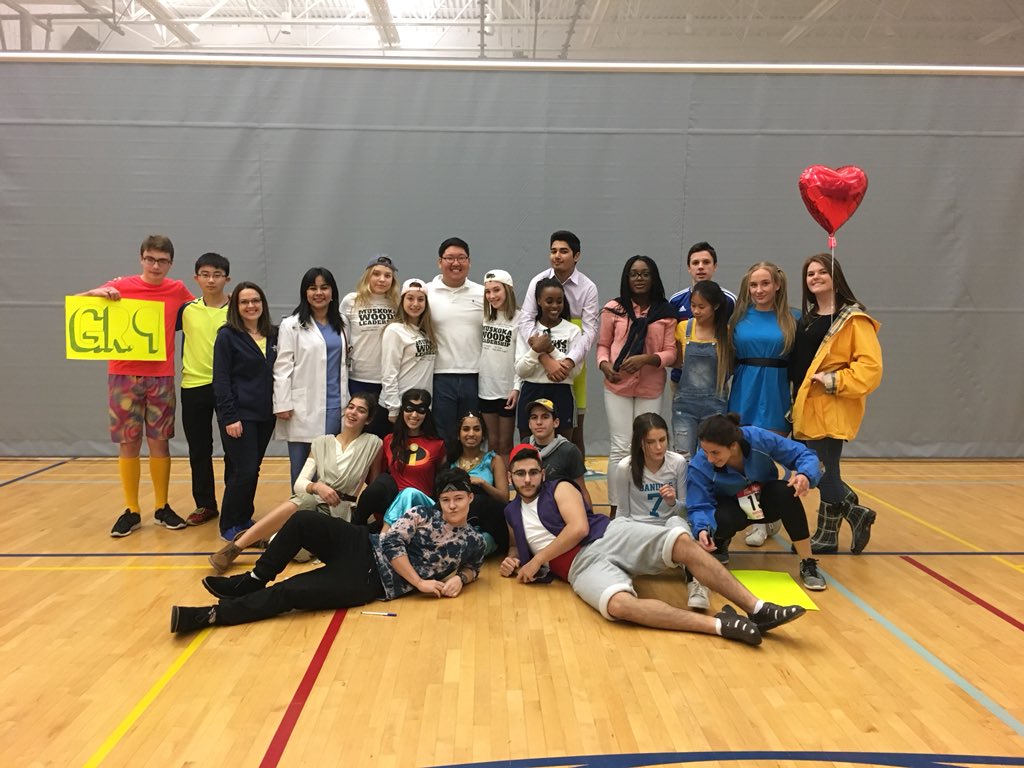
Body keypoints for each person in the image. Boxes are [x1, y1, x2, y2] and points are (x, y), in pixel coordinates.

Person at [500, 445, 806, 646]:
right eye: (520, 474)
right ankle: (718, 624)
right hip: (580, 567)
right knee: (619, 607)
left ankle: (758, 608)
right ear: (511, 478)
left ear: (542, 473)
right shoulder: (511, 512)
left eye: (532, 472)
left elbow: (578, 528)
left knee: (682, 544)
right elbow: (517, 549)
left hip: (608, 536)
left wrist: (537, 558)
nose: (527, 479)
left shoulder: (559, 487)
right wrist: (513, 560)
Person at [171, 468, 486, 634]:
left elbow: (475, 565)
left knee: (291, 592)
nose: (453, 505)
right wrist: (419, 583)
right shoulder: (421, 513)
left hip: (369, 581)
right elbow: (391, 543)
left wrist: (462, 577)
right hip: (362, 544)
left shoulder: (473, 540)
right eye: (446, 500)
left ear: (470, 498)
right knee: (304, 519)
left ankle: (211, 615)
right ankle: (254, 578)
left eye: (459, 498)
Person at [78, 234, 194, 536]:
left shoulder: (177, 290)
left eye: (162, 261)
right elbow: (77, 309)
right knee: (128, 442)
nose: (156, 265)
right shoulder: (121, 287)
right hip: (123, 375)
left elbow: (202, 312)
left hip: (161, 375)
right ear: (141, 258)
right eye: (151, 259)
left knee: (160, 441)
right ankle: (131, 509)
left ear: (170, 263)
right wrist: (95, 293)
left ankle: (161, 506)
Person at [208, 393, 383, 572]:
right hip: (315, 501)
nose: (353, 412)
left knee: (300, 554)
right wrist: (317, 486)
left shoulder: (374, 444)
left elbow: (375, 487)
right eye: (351, 407)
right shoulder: (321, 443)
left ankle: (268, 538)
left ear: (368, 420)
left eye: (361, 410)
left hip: (341, 510)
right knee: (305, 498)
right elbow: (300, 483)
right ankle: (234, 548)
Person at [791, 254, 883, 554]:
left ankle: (853, 516)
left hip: (831, 405)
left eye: (822, 272)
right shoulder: (807, 318)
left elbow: (870, 368)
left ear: (835, 277)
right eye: (809, 274)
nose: (815, 277)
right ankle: (829, 535)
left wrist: (833, 381)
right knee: (824, 470)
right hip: (806, 405)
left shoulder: (854, 320)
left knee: (820, 471)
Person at [685, 413, 828, 591]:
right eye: (705, 452)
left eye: (715, 452)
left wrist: (805, 474)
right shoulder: (700, 465)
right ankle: (720, 541)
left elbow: (804, 454)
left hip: (764, 500)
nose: (710, 459)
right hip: (731, 507)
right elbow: (698, 505)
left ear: (733, 445)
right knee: (720, 518)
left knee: (786, 492)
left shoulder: (758, 438)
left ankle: (808, 563)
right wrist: (701, 530)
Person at [596, 255, 677, 515]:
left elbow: (671, 353)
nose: (639, 279)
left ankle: (641, 507)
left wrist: (648, 359)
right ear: (626, 278)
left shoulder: (665, 313)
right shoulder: (613, 309)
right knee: (620, 447)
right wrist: (604, 365)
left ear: (653, 278)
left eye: (645, 274)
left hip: (650, 387)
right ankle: (616, 508)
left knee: (645, 444)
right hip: (617, 386)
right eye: (634, 274)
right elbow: (603, 346)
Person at [727, 261, 799, 548]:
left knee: (768, 456)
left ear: (777, 285)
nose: (759, 290)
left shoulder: (793, 319)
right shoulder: (738, 319)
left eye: (765, 283)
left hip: (776, 391)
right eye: (754, 285)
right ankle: (756, 520)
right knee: (748, 460)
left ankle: (772, 515)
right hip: (745, 390)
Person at [609, 413, 708, 609]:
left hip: (669, 531)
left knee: (677, 525)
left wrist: (672, 502)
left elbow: (686, 511)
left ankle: (697, 583)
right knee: (614, 534)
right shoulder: (625, 468)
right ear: (640, 443)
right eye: (651, 442)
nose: (658, 447)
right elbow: (623, 512)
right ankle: (619, 583)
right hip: (639, 532)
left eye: (662, 440)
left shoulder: (678, 462)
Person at [518, 231, 599, 461]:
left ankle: (574, 488)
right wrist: (545, 358)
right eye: (553, 251)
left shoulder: (588, 287)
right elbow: (525, 320)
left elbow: (590, 330)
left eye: (563, 251)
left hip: (572, 359)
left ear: (577, 256)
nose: (557, 256)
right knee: (532, 432)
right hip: (539, 360)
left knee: (575, 432)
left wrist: (567, 361)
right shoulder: (538, 281)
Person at [212, 282, 279, 542]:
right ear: (236, 307)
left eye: (255, 301)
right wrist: (230, 417)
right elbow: (221, 379)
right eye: (244, 302)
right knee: (245, 469)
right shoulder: (227, 336)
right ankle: (229, 523)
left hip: (265, 415)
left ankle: (243, 517)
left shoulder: (273, 334)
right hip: (239, 416)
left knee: (252, 468)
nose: (251, 306)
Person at [273, 267, 349, 487]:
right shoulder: (292, 325)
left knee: (330, 465)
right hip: (302, 406)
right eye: (312, 288)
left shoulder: (342, 323)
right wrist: (282, 402)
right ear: (304, 293)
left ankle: (327, 516)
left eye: (324, 287)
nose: (319, 293)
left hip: (336, 405)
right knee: (302, 468)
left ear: (332, 292)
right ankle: (301, 513)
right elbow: (282, 367)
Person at [176, 252, 231, 526]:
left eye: (217, 275)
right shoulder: (186, 309)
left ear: (227, 279)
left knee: (234, 449)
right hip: (194, 386)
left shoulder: (237, 309)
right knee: (199, 448)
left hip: (228, 388)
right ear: (196, 278)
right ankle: (205, 504)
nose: (211, 280)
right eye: (206, 275)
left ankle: (235, 504)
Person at [353, 388, 446, 528]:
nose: (414, 415)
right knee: (382, 481)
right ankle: (356, 525)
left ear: (427, 413)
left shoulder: (437, 445)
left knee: (409, 493)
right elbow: (377, 479)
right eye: (409, 408)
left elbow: (441, 481)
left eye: (420, 410)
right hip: (391, 503)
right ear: (402, 410)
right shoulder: (390, 440)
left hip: (421, 507)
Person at [425, 237, 485, 444]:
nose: (456, 263)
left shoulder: (483, 293)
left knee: (473, 436)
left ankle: (472, 476)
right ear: (439, 262)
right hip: (440, 376)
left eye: (461, 258)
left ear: (469, 262)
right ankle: (446, 477)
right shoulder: (425, 292)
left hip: (475, 376)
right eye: (450, 258)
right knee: (444, 436)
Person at [671, 280, 732, 458]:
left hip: (716, 407)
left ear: (716, 306)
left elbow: (730, 367)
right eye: (693, 305)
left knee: (711, 458)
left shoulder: (726, 333)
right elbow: (676, 362)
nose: (696, 311)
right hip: (684, 406)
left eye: (701, 307)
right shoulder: (683, 328)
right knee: (683, 457)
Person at [340, 255, 399, 438]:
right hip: (359, 378)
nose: (382, 279)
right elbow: (342, 337)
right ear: (367, 276)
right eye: (377, 274)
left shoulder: (397, 303)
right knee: (357, 433)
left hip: (387, 379)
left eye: (387, 275)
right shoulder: (351, 300)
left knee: (383, 434)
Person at [515, 278, 581, 440]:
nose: (554, 306)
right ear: (538, 301)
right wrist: (535, 350)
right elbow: (521, 370)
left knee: (563, 445)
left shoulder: (573, 331)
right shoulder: (528, 330)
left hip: (562, 392)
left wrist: (551, 349)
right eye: (549, 301)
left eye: (559, 301)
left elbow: (575, 372)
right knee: (528, 446)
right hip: (531, 390)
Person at [447, 411, 509, 556]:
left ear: (483, 434)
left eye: (476, 429)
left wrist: (482, 483)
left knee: (473, 547)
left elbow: (504, 499)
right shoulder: (450, 461)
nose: (471, 433)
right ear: (458, 434)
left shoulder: (494, 460)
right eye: (466, 429)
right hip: (455, 523)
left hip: (486, 524)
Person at [478, 269, 522, 459]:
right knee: (492, 442)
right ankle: (492, 486)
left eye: (496, 290)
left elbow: (521, 356)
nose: (492, 296)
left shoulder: (521, 318)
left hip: (507, 390)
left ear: (508, 290)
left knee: (505, 444)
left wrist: (516, 387)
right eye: (488, 292)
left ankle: (505, 487)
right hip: (486, 389)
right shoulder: (484, 317)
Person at [380, 279, 437, 423]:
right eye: (410, 298)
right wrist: (393, 408)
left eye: (420, 299)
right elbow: (389, 372)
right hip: (399, 406)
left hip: (420, 406)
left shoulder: (426, 332)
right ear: (402, 301)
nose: (415, 304)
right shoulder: (395, 330)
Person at [523, 398, 593, 511]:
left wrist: (590, 520)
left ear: (556, 422)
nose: (539, 422)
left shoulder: (569, 451)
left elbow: (582, 490)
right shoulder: (525, 445)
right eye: (534, 417)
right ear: (529, 424)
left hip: (559, 512)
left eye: (545, 417)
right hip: (531, 510)